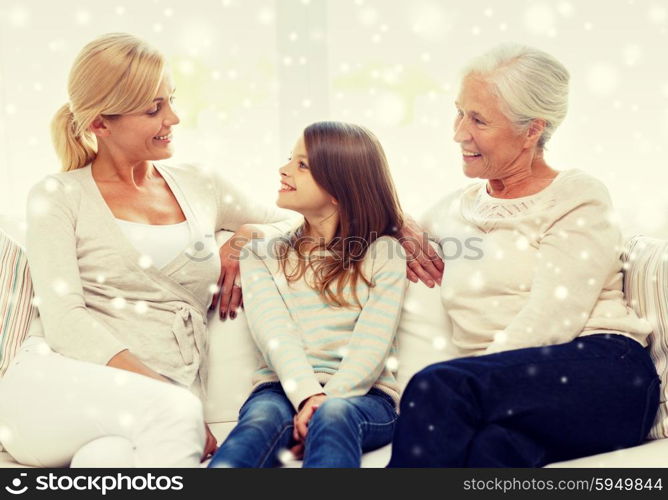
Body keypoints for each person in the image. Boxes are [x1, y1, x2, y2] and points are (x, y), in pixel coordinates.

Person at [0, 32, 297, 467]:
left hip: (146, 413)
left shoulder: (200, 185)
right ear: (101, 123)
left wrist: (250, 235)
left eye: (171, 99)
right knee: (175, 414)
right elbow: (65, 320)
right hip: (56, 391)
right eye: (154, 108)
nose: (173, 118)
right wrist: (163, 392)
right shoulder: (58, 195)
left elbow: (301, 218)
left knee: (108, 462)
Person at [388, 44, 660, 467]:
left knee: (435, 387)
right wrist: (394, 222)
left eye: (478, 119)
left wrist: (469, 385)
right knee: (490, 453)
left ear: (532, 130)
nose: (458, 132)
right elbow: (336, 224)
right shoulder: (450, 210)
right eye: (458, 112)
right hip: (511, 394)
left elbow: (551, 320)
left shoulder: (576, 196)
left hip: (604, 372)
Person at [208, 121, 407, 468]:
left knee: (334, 414)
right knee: (260, 423)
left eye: (302, 165)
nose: (283, 170)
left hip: (365, 397)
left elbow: (371, 344)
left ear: (337, 188)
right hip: (279, 389)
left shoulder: (384, 254)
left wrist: (326, 399)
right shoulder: (260, 255)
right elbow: (276, 336)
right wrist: (307, 396)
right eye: (290, 159)